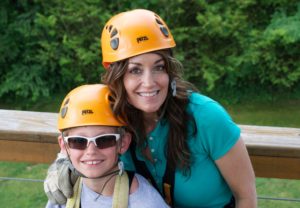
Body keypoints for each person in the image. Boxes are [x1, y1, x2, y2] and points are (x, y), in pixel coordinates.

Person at [44, 9, 257, 207]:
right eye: (135, 70)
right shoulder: (112, 114)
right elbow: (79, 132)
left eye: (159, 67)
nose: (149, 82)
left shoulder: (206, 117)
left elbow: (246, 197)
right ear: (117, 77)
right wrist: (62, 162)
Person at [45, 84, 169, 208]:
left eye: (104, 140)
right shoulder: (63, 194)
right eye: (78, 141)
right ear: (64, 146)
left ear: (123, 143)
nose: (91, 151)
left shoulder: (145, 203)